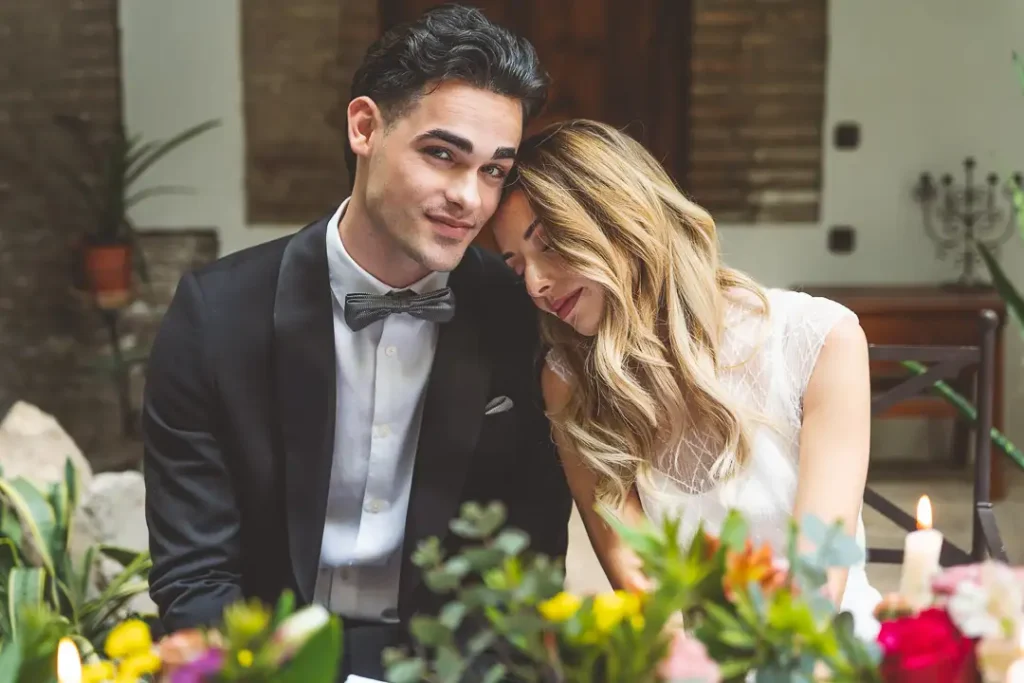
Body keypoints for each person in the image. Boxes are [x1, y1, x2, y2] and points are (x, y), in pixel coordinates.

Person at [142, 5, 573, 678]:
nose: (470, 198)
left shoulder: (518, 313)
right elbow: (194, 577)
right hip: (269, 660)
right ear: (365, 126)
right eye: (442, 154)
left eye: (493, 170)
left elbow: (529, 563)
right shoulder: (216, 314)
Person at [489, 118, 883, 640]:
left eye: (551, 244)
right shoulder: (568, 381)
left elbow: (818, 583)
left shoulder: (820, 340)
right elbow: (640, 583)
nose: (537, 283)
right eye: (518, 268)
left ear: (621, 216)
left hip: (823, 653)